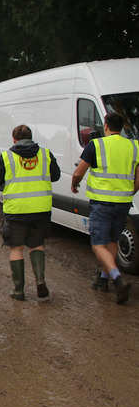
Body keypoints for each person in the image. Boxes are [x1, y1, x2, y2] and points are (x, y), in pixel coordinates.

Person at [71, 112, 138, 304]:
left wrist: (75, 184)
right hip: (123, 203)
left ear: (106, 126)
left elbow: (79, 172)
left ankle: (117, 279)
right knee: (112, 241)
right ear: (123, 126)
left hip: (102, 203)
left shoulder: (96, 145)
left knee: (98, 244)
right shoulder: (134, 146)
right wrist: (127, 192)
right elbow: (138, 177)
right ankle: (103, 279)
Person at [0, 125, 60, 301]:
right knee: (37, 245)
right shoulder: (45, 154)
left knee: (16, 248)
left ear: (14, 139)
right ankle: (40, 282)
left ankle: (18, 290)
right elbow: (56, 175)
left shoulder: (6, 157)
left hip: (17, 210)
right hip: (40, 209)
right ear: (31, 137)